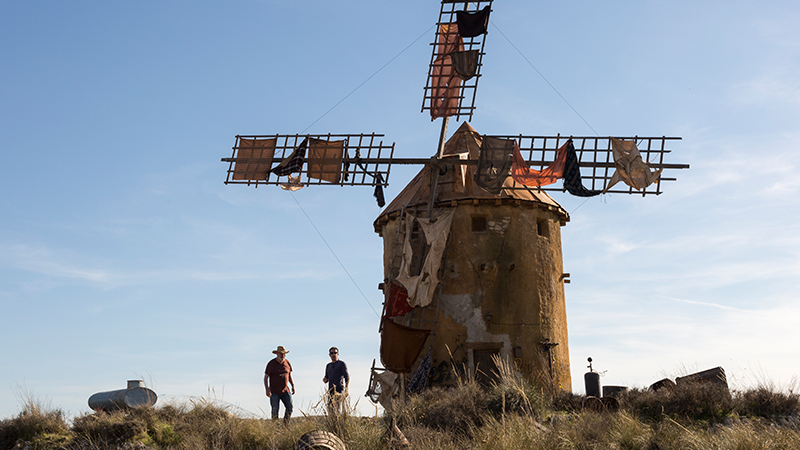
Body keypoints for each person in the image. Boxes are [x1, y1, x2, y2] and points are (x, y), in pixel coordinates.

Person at [264, 345, 295, 423]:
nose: (282, 355)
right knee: (275, 411)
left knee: (290, 407)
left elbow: (289, 375)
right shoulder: (271, 364)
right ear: (277, 354)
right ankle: (275, 429)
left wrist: (293, 385)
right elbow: (265, 377)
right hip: (274, 392)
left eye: (284, 353)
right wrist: (267, 389)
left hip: (285, 391)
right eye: (281, 353)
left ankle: (285, 425)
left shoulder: (287, 363)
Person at [322, 346, 349, 414]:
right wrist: (325, 380)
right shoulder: (328, 366)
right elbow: (326, 378)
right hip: (330, 391)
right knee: (330, 409)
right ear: (329, 355)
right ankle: (332, 424)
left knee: (338, 410)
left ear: (338, 354)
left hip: (339, 390)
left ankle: (339, 423)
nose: (333, 354)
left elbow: (347, 377)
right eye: (332, 353)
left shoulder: (341, 364)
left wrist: (346, 389)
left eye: (335, 353)